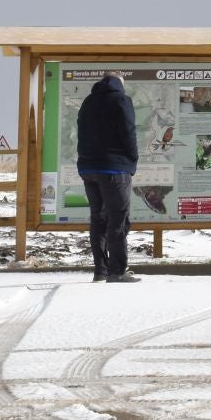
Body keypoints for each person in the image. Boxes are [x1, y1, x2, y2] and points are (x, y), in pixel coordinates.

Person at [76, 72, 140, 283]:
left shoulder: (88, 102)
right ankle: (117, 271)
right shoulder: (122, 100)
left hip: (88, 169)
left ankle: (100, 270)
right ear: (120, 84)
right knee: (118, 219)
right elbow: (128, 132)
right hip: (114, 169)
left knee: (98, 218)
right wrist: (132, 159)